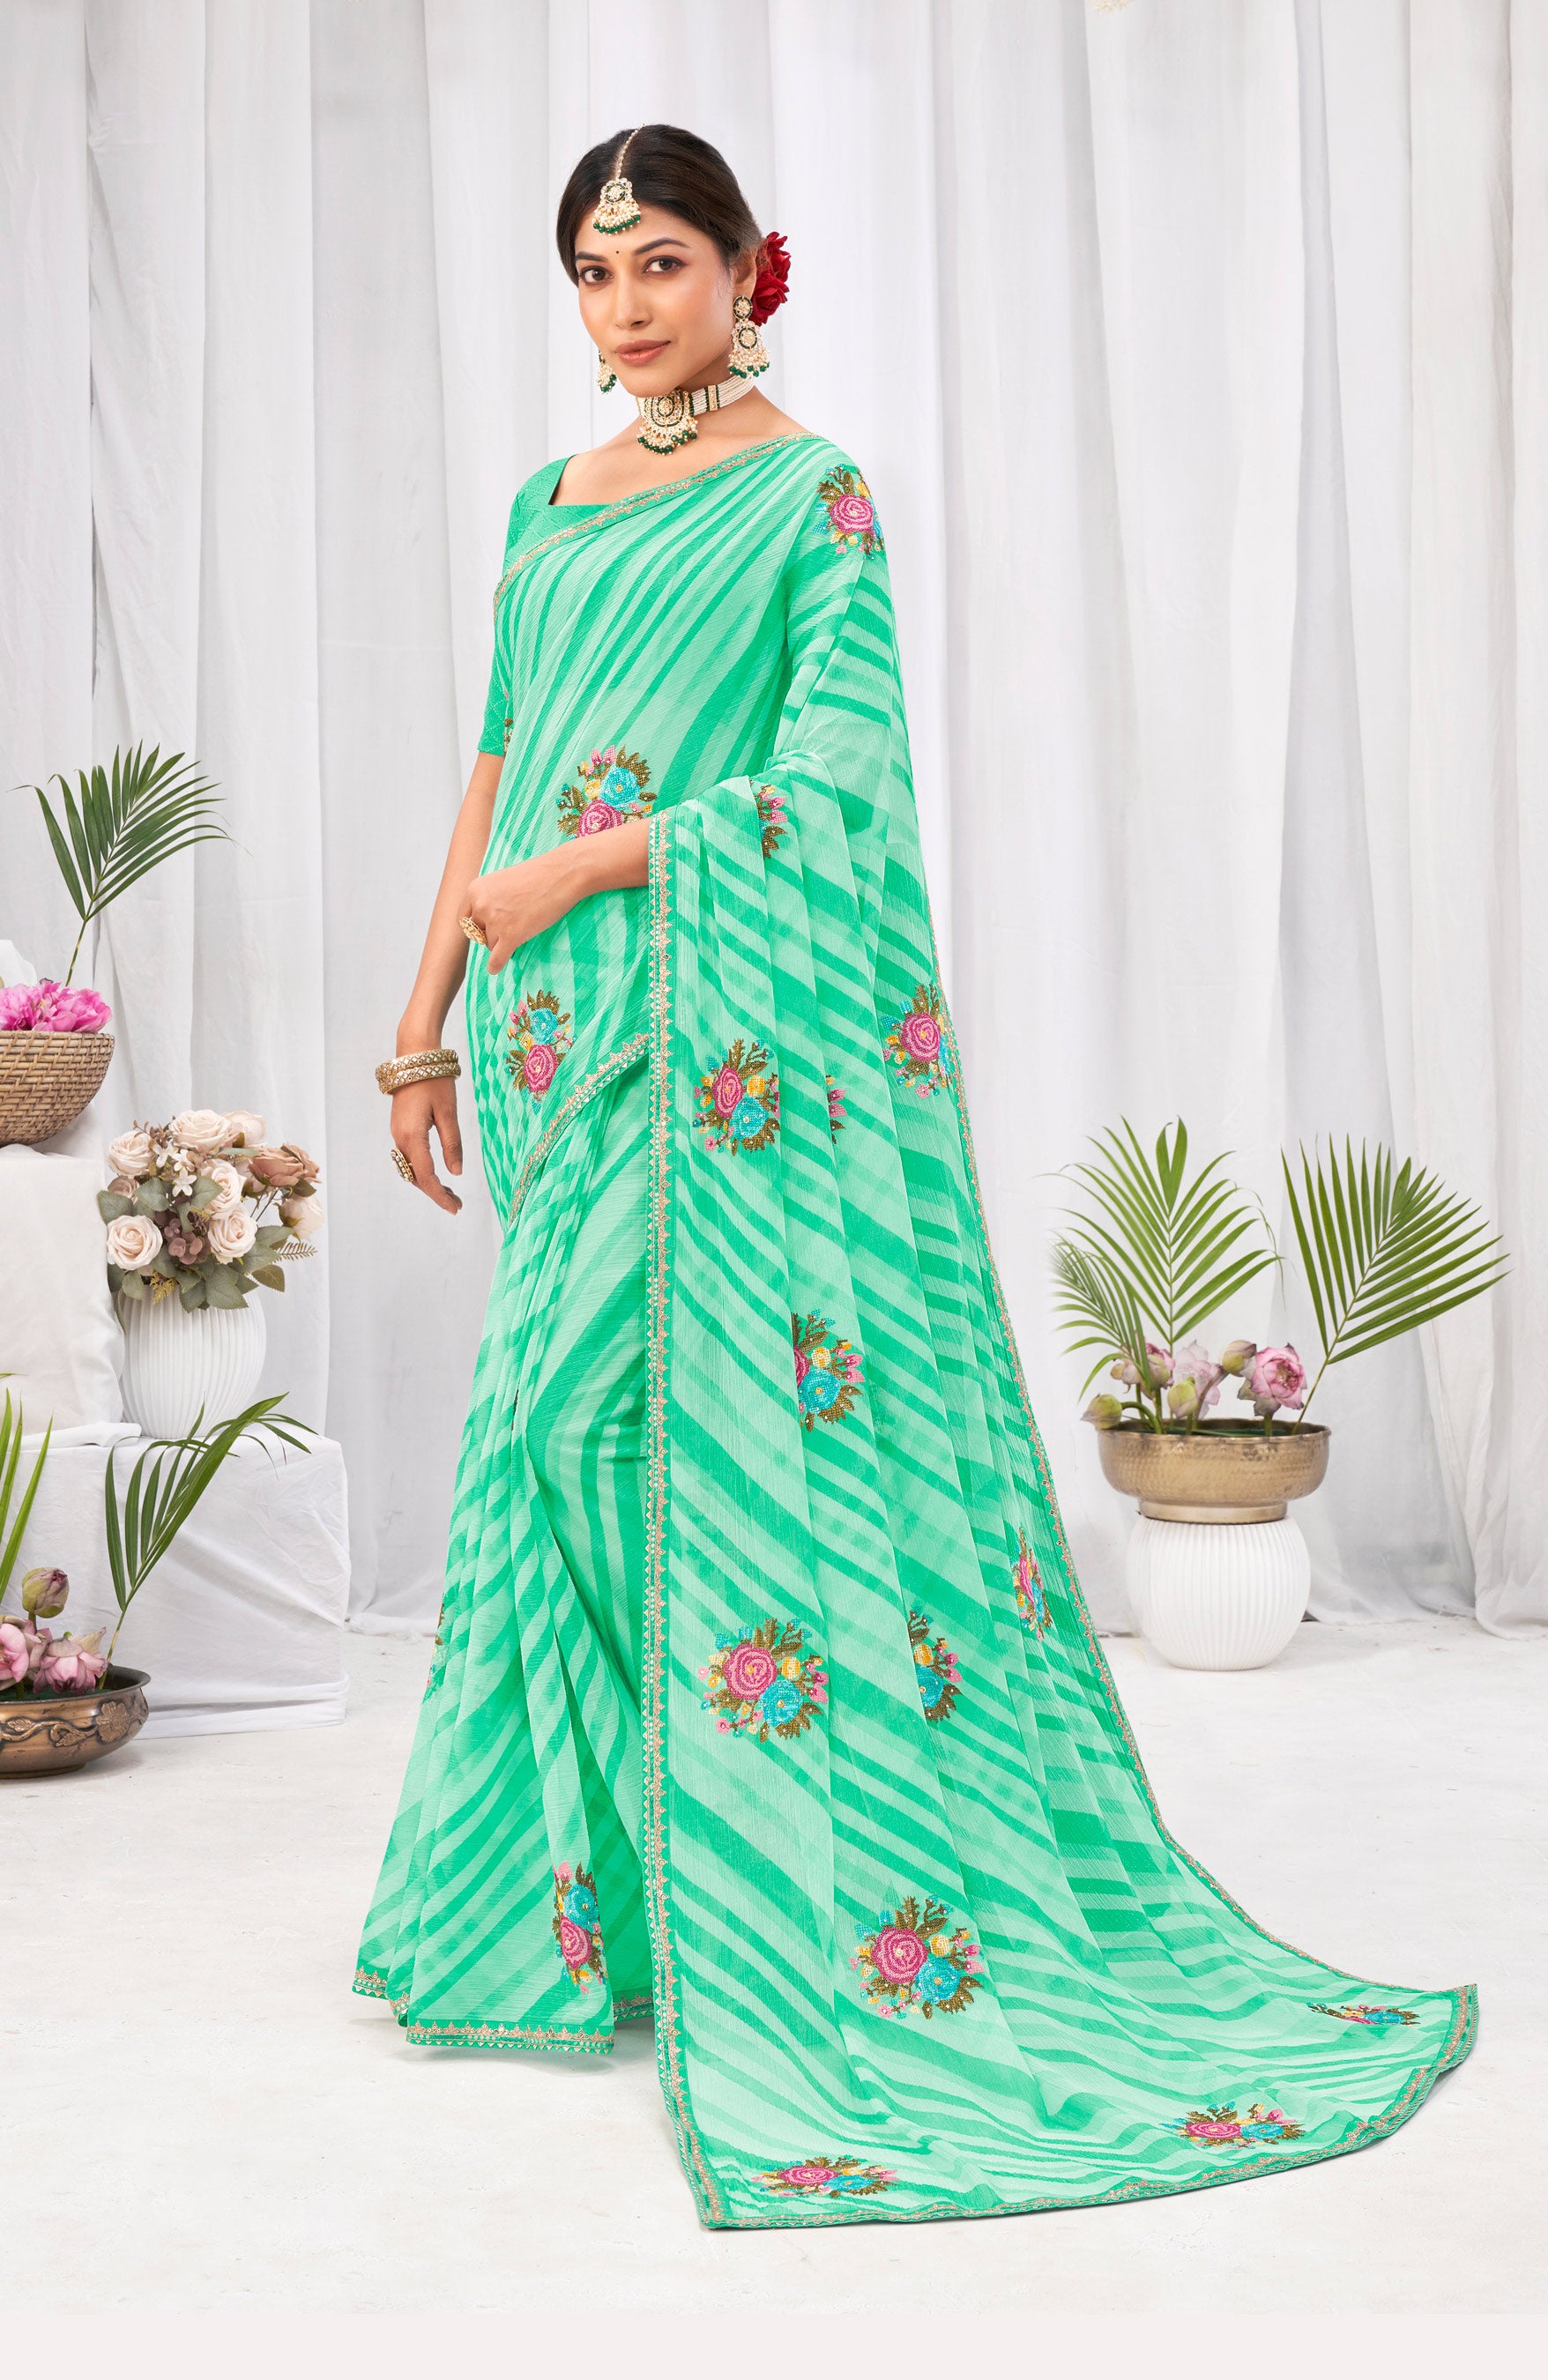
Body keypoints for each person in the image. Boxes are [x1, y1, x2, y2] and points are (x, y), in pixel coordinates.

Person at [357, 123, 1473, 2231]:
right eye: (593, 270)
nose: (625, 305)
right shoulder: (547, 503)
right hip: (554, 1040)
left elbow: (838, 790)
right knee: (554, 1441)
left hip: (724, 1049)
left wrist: (588, 873)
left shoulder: (816, 498)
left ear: (748, 269)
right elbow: (494, 765)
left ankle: (787, 1890)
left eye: (661, 262)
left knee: (635, 1429)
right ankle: (605, 1905)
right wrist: (423, 1016)